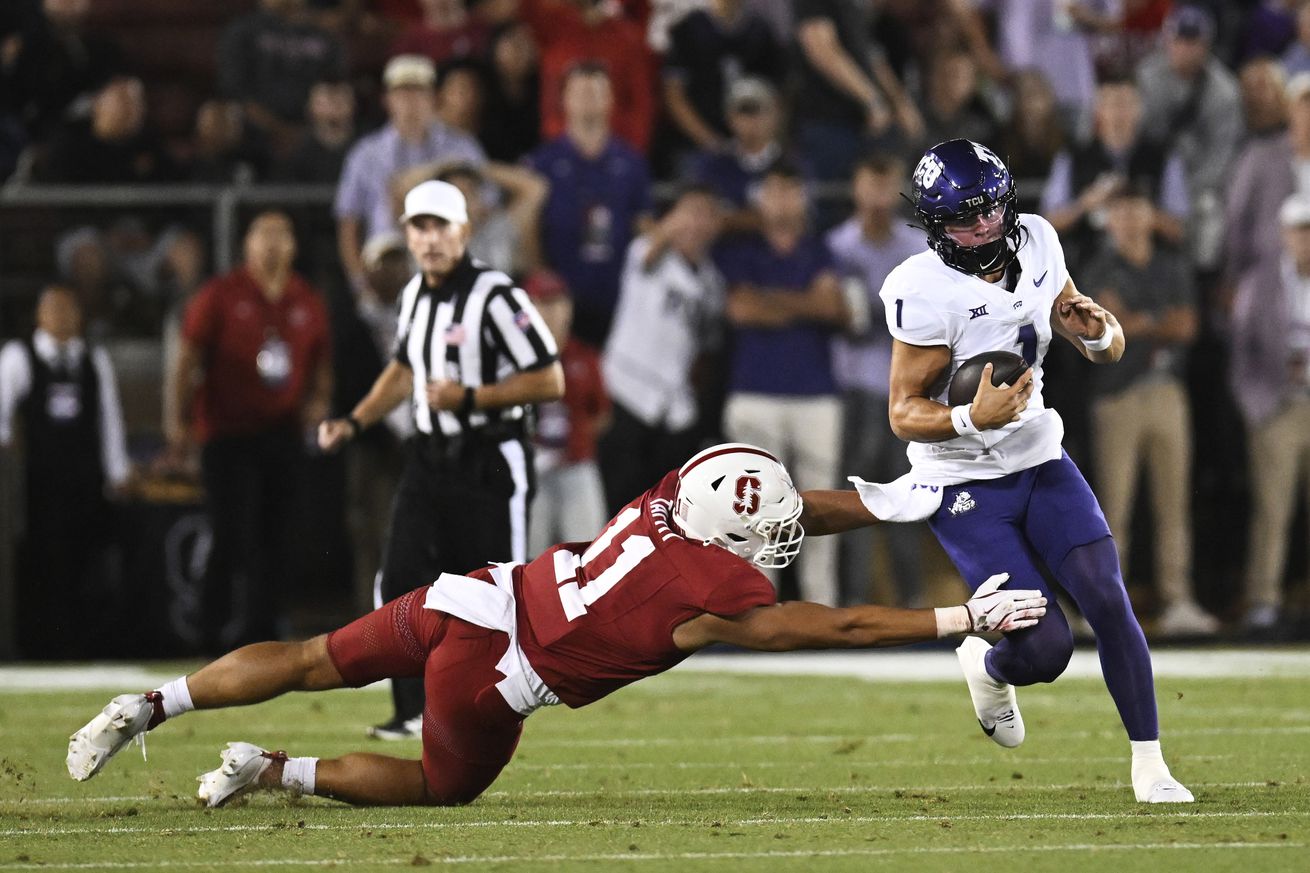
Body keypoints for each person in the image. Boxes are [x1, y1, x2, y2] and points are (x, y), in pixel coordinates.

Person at [65, 442, 1048, 807]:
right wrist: (959, 612)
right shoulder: (708, 594)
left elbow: (791, 507)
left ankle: (150, 705)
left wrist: (900, 499)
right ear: (723, 534)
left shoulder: (675, 494)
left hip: (478, 593)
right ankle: (270, 769)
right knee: (444, 787)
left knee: (314, 656)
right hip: (497, 678)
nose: (778, 534)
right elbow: (830, 629)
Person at [876, 138, 1193, 803]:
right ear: (937, 225)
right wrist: (969, 418)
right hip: (962, 482)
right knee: (1046, 650)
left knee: (1108, 595)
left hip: (1037, 454)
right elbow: (904, 412)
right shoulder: (922, 289)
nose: (986, 226)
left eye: (992, 209)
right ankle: (988, 663)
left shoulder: (1042, 241)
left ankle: (1151, 764)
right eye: (966, 218)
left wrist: (1103, 335)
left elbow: (1095, 338)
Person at [318, 180, 565, 740]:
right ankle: (412, 710)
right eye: (419, 227)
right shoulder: (412, 296)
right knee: (400, 578)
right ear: (406, 233)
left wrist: (473, 397)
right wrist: (355, 420)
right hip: (429, 459)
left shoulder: (497, 295)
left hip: (489, 457)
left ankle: (493, 708)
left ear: (464, 231)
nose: (428, 239)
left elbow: (550, 379)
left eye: (439, 227)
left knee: (495, 592)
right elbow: (404, 370)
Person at [166, 211, 333, 651]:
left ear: (294, 246)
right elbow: (187, 358)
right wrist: (178, 422)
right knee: (230, 532)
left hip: (282, 432)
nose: (273, 244)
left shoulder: (306, 299)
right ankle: (207, 631)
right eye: (264, 235)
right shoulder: (221, 294)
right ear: (247, 245)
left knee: (276, 536)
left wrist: (318, 403)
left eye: (282, 234)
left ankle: (260, 631)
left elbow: (321, 365)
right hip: (227, 432)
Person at [715, 161, 851, 606]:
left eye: (790, 191)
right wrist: (803, 303)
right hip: (755, 392)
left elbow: (832, 307)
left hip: (815, 395)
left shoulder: (820, 249)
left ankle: (821, 609)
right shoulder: (742, 251)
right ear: (759, 199)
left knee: (820, 508)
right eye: (773, 191)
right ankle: (757, 608)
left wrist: (769, 300)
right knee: (755, 513)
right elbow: (739, 310)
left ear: (803, 196)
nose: (781, 201)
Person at [1082, 186, 1215, 637]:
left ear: (1150, 214)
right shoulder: (1097, 266)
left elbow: (1188, 326)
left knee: (1173, 504)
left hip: (1167, 392)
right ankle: (1107, 605)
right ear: (1110, 218)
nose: (1131, 219)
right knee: (1113, 508)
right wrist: (1159, 322)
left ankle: (1178, 598)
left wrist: (1140, 322)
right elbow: (1107, 327)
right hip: (1117, 395)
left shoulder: (1172, 264)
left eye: (1137, 208)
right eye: (1121, 211)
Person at [0, 286, 130, 659]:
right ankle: (39, 644)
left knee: (84, 561)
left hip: (84, 482)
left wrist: (117, 470)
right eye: (54, 309)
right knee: (43, 561)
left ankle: (80, 643)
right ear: (39, 315)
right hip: (36, 486)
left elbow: (109, 419)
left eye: (69, 309)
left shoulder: (93, 360)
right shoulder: (19, 356)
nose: (62, 317)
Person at [825, 155, 928, 608]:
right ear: (855, 185)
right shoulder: (836, 245)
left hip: (909, 391)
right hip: (855, 390)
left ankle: (915, 609)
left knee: (911, 501)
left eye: (887, 182)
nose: (879, 193)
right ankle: (854, 606)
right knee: (857, 504)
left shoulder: (920, 246)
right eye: (871, 180)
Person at [600, 185, 726, 513]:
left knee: (659, 509)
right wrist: (676, 220)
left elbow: (708, 348)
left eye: (707, 215)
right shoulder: (648, 251)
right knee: (616, 504)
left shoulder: (713, 282)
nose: (697, 224)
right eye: (691, 213)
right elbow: (652, 246)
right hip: (626, 390)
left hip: (671, 404)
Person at [524, 62, 654, 347]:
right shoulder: (542, 163)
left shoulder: (631, 163)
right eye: (580, 92)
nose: (588, 101)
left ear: (610, 100)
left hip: (617, 299)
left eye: (596, 93)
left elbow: (643, 228)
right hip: (559, 301)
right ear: (564, 100)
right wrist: (541, 277)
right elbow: (526, 225)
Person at [335, 54, 486, 297]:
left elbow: (486, 206)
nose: (411, 102)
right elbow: (348, 225)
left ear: (434, 98)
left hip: (454, 258)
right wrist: (360, 285)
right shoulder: (366, 154)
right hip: (388, 264)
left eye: (419, 93)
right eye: (402, 94)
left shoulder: (462, 147)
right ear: (387, 100)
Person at [1228, 193, 1310, 636]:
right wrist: (1257, 410)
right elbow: (1241, 356)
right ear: (1284, 234)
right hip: (1279, 408)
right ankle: (1264, 602)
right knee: (1273, 510)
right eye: (1300, 231)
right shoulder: (1260, 283)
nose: (1306, 240)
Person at [524, 269, 609, 557]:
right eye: (541, 303)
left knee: (590, 553)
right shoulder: (512, 359)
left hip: (575, 465)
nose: (550, 312)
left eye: (555, 302)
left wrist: (576, 440)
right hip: (529, 471)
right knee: (529, 559)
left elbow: (602, 414)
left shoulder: (584, 356)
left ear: (568, 307)